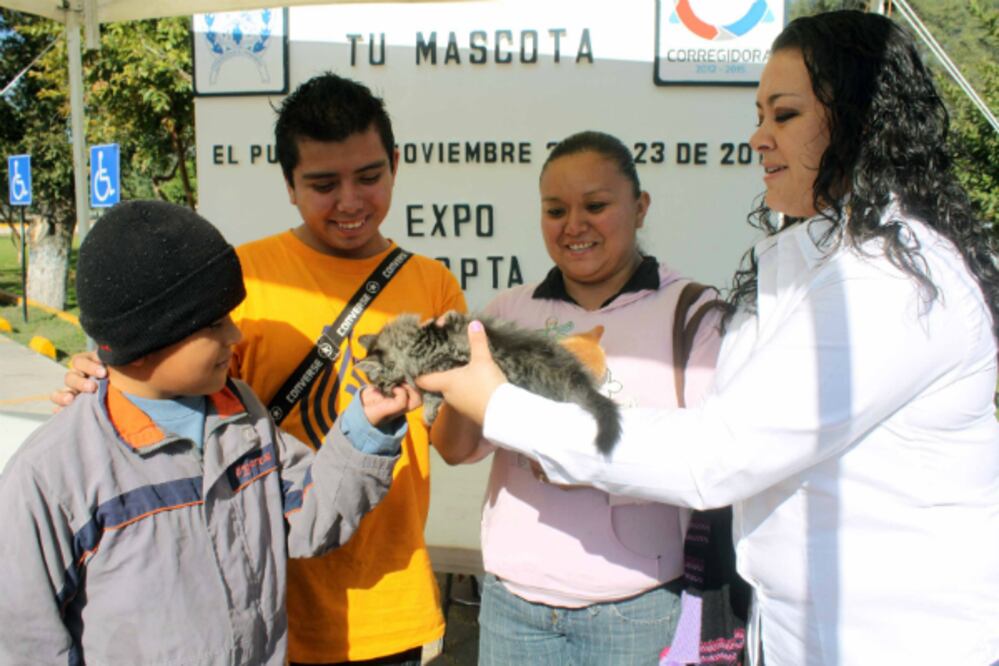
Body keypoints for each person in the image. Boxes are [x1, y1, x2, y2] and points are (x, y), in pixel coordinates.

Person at [419, 11, 999, 665]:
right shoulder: (806, 259)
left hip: (888, 639)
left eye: (783, 115)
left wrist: (503, 405)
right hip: (791, 629)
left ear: (859, 119)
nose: (756, 138)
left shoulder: (891, 283)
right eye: (758, 114)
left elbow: (714, 455)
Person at [53, 74, 466, 665]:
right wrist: (102, 382)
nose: (350, 201)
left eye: (369, 177)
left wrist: (484, 391)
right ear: (289, 185)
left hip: (388, 603)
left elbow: (452, 443)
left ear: (396, 165)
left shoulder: (433, 284)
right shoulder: (243, 279)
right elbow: (171, 418)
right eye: (323, 184)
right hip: (254, 608)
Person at [0, 200, 415, 665]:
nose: (234, 336)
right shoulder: (52, 476)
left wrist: (366, 425)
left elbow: (311, 519)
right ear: (144, 343)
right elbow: (25, 640)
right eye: (215, 323)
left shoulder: (243, 415)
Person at [431, 130, 740, 665]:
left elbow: (713, 465)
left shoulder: (693, 313)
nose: (574, 226)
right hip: (512, 604)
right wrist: (455, 373)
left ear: (640, 207)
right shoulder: (508, 311)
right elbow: (455, 449)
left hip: (637, 609)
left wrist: (580, 455)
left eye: (595, 206)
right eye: (555, 210)